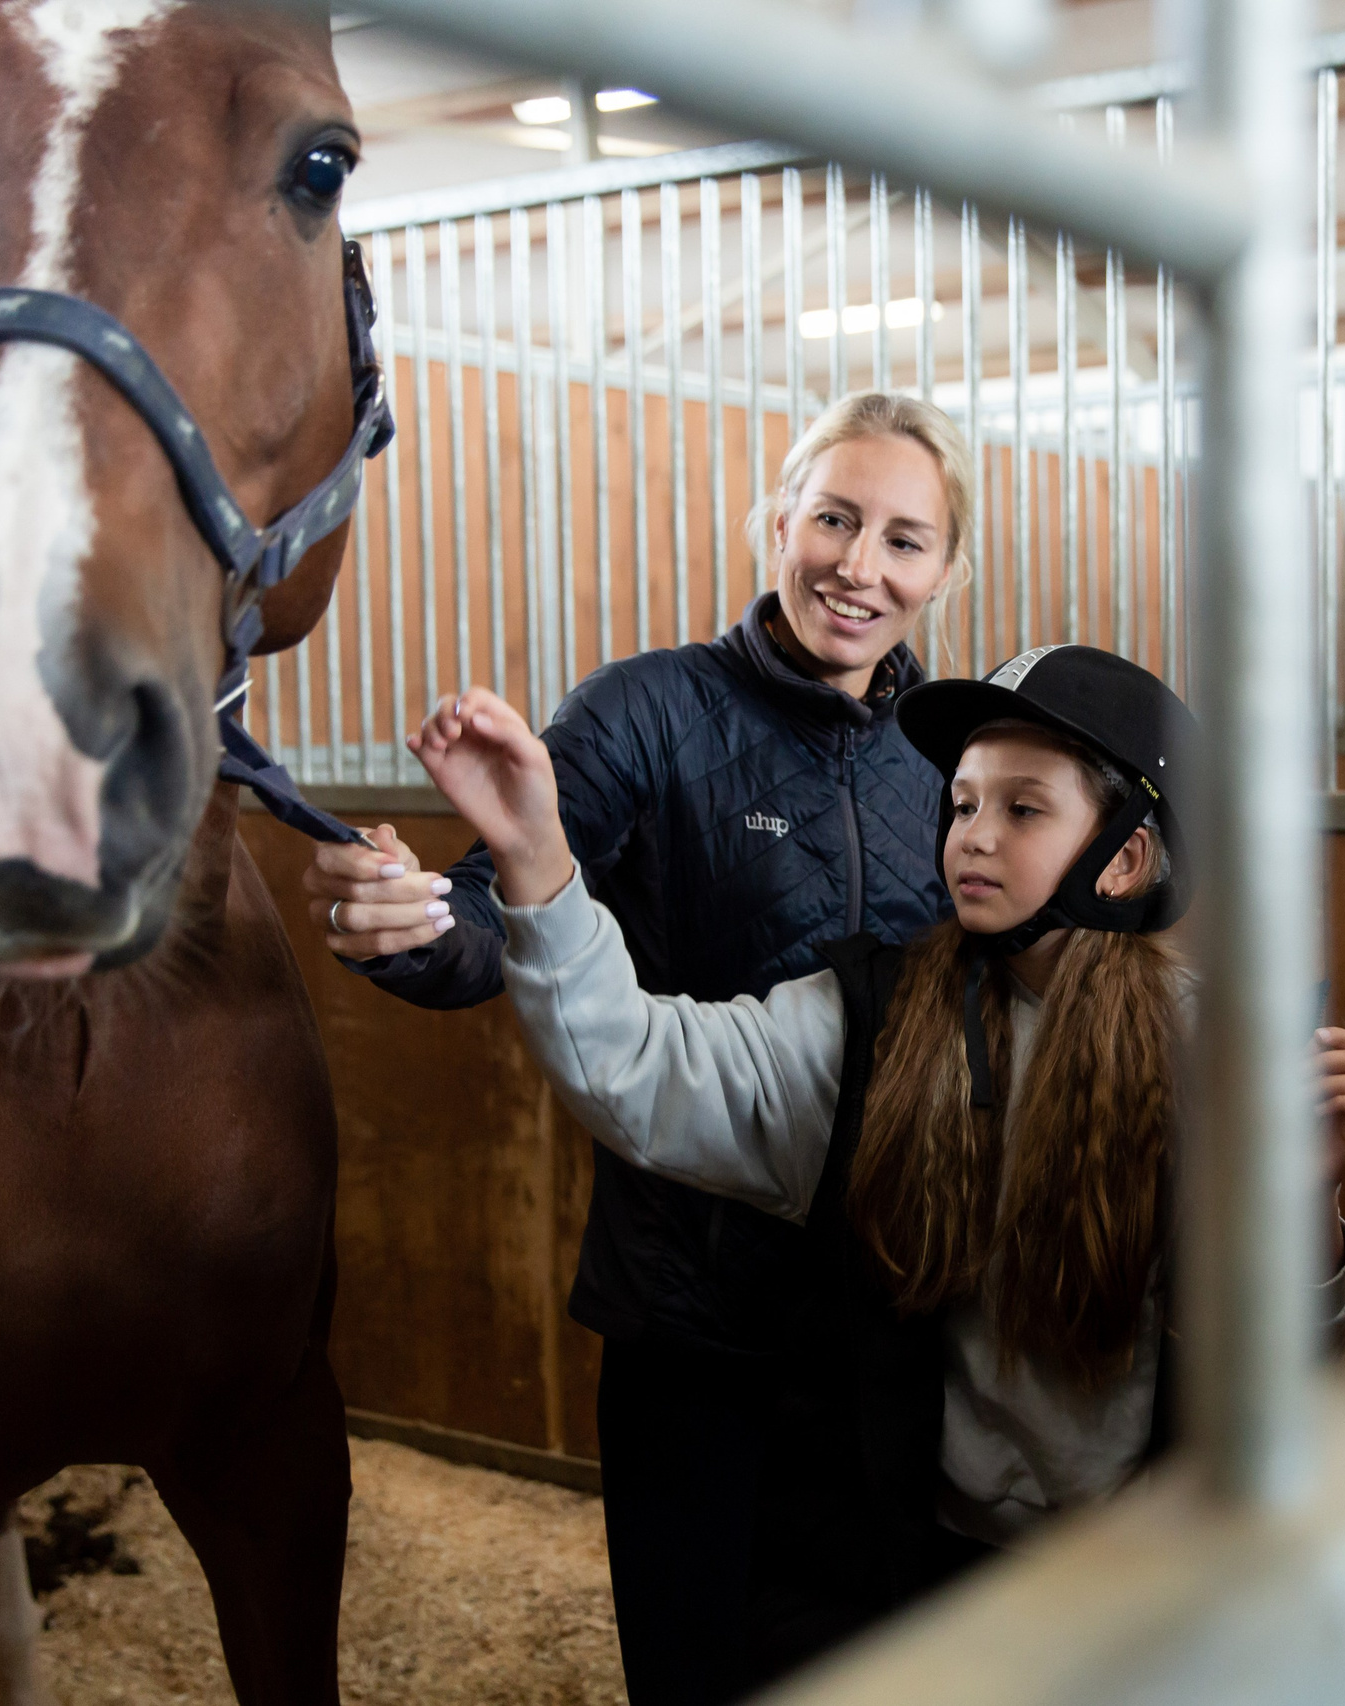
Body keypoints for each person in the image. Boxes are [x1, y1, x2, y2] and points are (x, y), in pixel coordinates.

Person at [405, 644, 1345, 1670]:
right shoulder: (870, 1015)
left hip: (1147, 1581)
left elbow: (1304, 1350)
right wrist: (536, 859)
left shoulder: (1220, 1046)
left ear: (1125, 856)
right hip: (906, 1567)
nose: (971, 837)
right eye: (960, 804)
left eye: (1023, 809)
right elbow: (637, 1066)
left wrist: (1305, 1203)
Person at [302, 392, 973, 1705]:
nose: (859, 563)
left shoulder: (944, 754)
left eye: (905, 538)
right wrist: (411, 927)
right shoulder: (647, 713)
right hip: (699, 1312)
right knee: (700, 1660)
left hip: (896, 1300)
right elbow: (505, 903)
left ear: (944, 570)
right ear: (774, 522)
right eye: (833, 517)